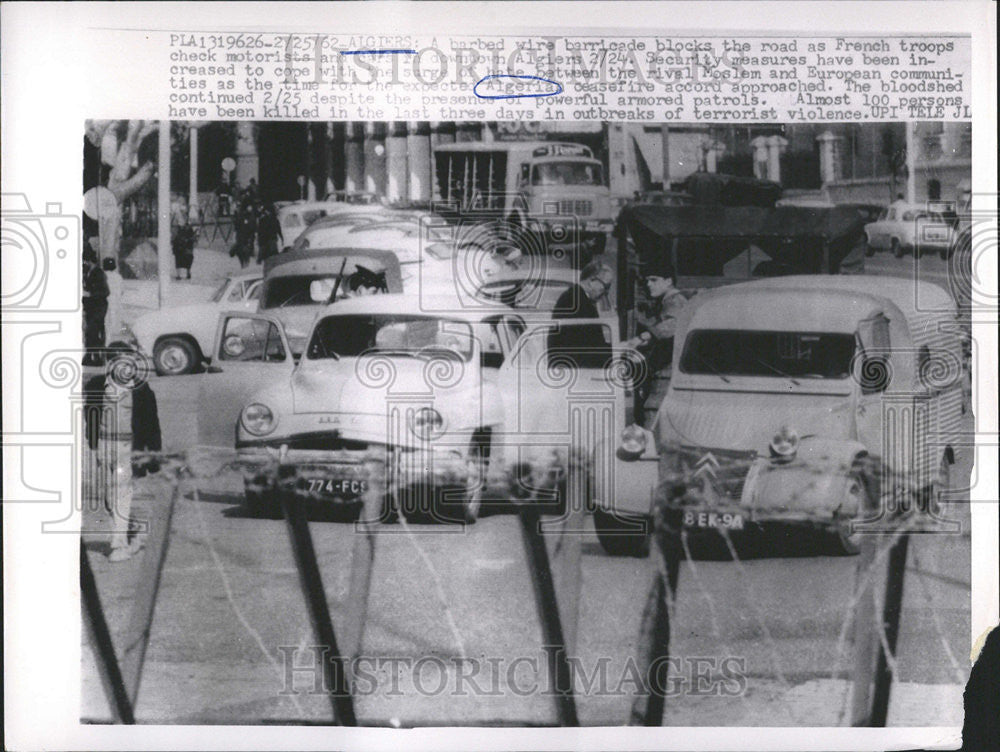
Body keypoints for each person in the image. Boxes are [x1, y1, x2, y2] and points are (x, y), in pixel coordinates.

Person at [83, 341, 162, 562]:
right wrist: (94, 444)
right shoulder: (96, 386)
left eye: (128, 361)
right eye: (116, 361)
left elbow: (152, 427)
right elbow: (89, 415)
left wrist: (153, 459)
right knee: (108, 498)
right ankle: (129, 527)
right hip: (104, 447)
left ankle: (120, 545)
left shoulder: (142, 391)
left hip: (127, 448)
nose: (123, 367)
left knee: (121, 494)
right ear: (108, 363)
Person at [82, 247, 109, 366]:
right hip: (91, 308)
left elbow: (105, 292)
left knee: (93, 332)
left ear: (88, 260)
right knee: (90, 333)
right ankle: (90, 356)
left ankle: (97, 357)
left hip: (98, 308)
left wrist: (90, 294)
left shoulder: (98, 273)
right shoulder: (88, 272)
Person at [102, 257, 125, 344]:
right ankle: (111, 342)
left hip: (105, 301)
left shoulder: (102, 275)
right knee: (114, 323)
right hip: (115, 302)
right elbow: (122, 291)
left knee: (105, 323)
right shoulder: (118, 277)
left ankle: (106, 341)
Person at [232, 198, 257, 268]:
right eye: (250, 206)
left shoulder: (251, 215)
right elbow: (237, 226)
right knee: (242, 252)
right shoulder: (242, 215)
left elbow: (254, 226)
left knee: (247, 253)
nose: (251, 207)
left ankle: (245, 264)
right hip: (242, 237)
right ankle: (244, 264)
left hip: (248, 238)